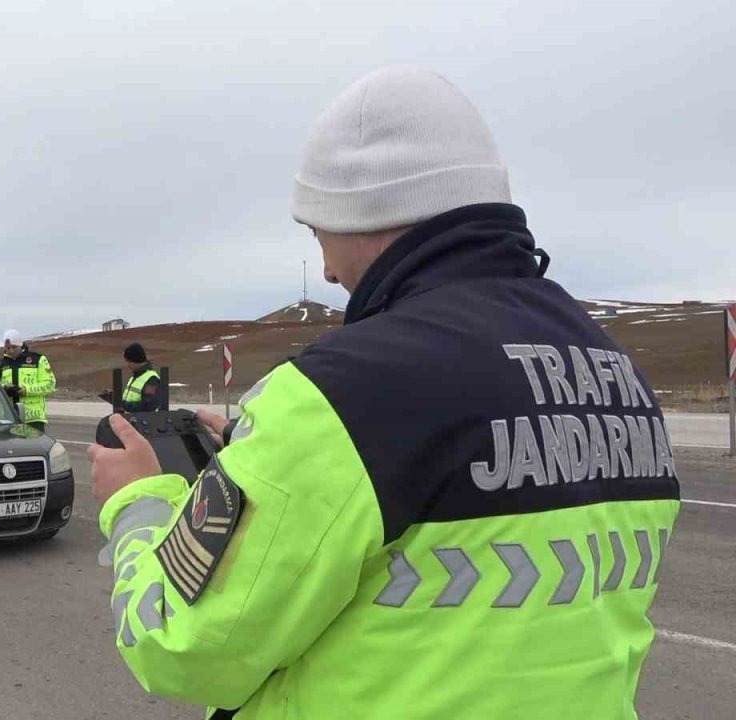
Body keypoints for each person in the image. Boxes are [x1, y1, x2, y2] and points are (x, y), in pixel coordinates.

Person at [88, 65, 680, 719]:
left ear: (365, 214)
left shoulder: (343, 394)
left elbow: (179, 645)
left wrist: (139, 503)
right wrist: (272, 459)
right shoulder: (613, 369)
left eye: (319, 236)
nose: (330, 270)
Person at [0, 329, 56, 432]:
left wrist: (26, 390)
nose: (11, 351)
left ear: (20, 345)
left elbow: (50, 385)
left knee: (34, 448)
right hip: (9, 418)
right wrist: (4, 390)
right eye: (8, 348)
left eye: (14, 347)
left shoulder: (38, 360)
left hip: (33, 419)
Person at [100, 343, 163, 412]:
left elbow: (148, 405)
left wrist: (122, 404)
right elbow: (130, 399)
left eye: (128, 361)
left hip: (138, 421)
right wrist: (114, 397)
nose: (127, 365)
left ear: (135, 360)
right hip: (129, 420)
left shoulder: (151, 380)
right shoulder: (136, 377)